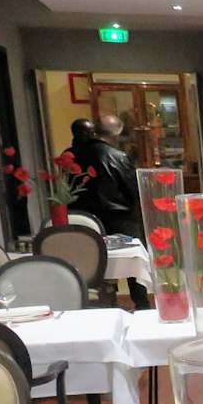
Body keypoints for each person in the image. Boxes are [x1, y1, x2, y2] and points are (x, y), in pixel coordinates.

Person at [65, 117, 149, 307]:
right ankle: (141, 304)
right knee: (134, 262)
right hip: (119, 218)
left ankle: (108, 301)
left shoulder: (70, 156)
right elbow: (133, 189)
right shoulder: (117, 156)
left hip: (82, 218)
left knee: (95, 262)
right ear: (117, 133)